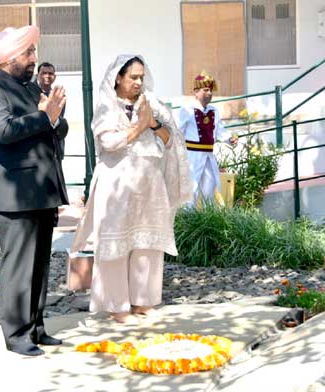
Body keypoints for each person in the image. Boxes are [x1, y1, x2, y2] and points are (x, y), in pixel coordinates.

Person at [71, 55, 192, 324]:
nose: (139, 82)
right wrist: (138, 127)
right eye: (133, 77)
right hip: (116, 183)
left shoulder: (152, 103)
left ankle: (143, 301)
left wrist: (153, 124)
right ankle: (117, 306)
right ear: (118, 78)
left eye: (141, 77)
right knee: (115, 244)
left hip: (149, 184)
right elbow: (110, 142)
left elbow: (171, 137)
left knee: (146, 242)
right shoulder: (106, 106)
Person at [0, 26, 68, 356]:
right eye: (28, 53)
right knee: (19, 267)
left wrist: (55, 117)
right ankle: (16, 336)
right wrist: (45, 116)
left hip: (43, 191)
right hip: (15, 196)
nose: (34, 59)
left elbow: (55, 127)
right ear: (7, 57)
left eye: (33, 52)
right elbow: (4, 130)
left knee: (40, 265)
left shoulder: (30, 90)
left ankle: (36, 328)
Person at [177, 71, 234, 205]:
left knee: (210, 187)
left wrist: (229, 139)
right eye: (206, 90)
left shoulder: (214, 110)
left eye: (211, 90)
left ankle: (207, 220)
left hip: (208, 156)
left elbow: (220, 130)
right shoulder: (186, 110)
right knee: (192, 189)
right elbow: (177, 132)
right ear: (196, 92)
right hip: (192, 156)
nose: (209, 93)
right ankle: (187, 220)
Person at [35, 62, 66, 160]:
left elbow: (58, 119)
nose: (47, 76)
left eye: (50, 73)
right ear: (37, 75)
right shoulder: (31, 94)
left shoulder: (59, 96)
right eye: (44, 73)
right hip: (37, 146)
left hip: (55, 144)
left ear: (55, 77)